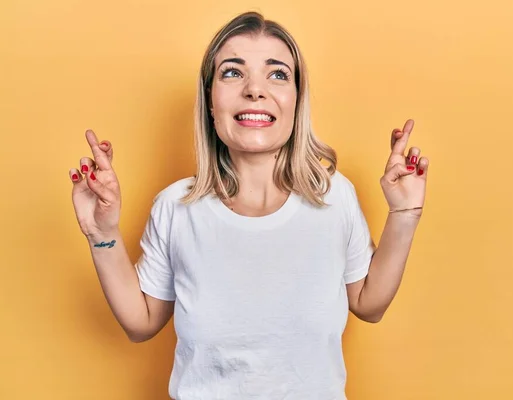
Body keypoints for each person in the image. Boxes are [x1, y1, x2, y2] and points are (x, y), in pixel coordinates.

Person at [69, 11, 429, 400]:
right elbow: (140, 323)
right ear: (210, 101)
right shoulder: (175, 207)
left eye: (277, 74)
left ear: (296, 100)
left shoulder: (333, 197)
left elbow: (369, 304)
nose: (255, 89)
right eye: (232, 72)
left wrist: (404, 215)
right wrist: (101, 233)